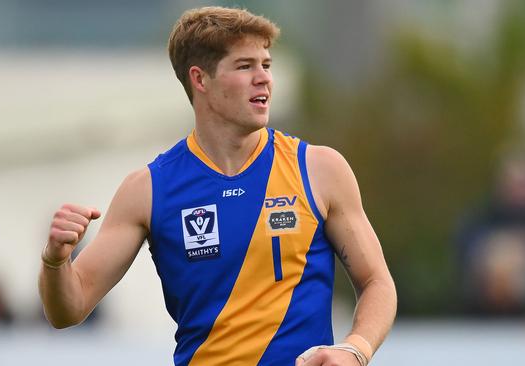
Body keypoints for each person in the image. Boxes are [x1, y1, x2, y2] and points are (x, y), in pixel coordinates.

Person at [38, 6, 396, 366]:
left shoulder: (319, 169)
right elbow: (70, 307)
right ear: (200, 79)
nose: (264, 79)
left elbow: (377, 282)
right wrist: (55, 261)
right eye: (245, 66)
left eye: (266, 65)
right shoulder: (148, 189)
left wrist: (355, 349)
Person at [455, 151, 525, 316]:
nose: (520, 191)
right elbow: (467, 253)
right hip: (489, 318)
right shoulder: (481, 218)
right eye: (515, 184)